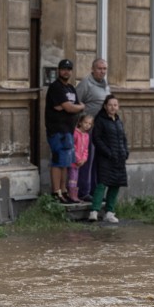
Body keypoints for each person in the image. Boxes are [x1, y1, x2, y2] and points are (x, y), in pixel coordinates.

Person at [44, 58, 84, 202]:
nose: (66, 72)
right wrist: (74, 107)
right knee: (57, 161)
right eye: (63, 69)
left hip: (69, 130)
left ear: (71, 72)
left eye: (68, 69)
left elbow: (73, 106)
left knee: (66, 162)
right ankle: (56, 192)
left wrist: (74, 107)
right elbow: (70, 107)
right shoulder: (56, 87)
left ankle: (64, 190)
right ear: (59, 71)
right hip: (57, 130)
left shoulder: (71, 88)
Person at [89, 95, 128, 224]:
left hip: (119, 158)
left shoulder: (118, 121)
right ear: (105, 106)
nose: (113, 107)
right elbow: (96, 139)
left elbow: (123, 138)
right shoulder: (100, 120)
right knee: (102, 183)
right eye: (110, 105)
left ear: (118, 107)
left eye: (115, 105)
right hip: (105, 158)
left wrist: (125, 152)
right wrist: (107, 152)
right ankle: (94, 211)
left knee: (115, 184)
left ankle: (109, 212)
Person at [76, 58, 110, 200]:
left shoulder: (105, 85)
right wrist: (81, 126)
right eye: (99, 68)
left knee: (98, 162)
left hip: (100, 131)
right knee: (86, 161)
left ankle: (96, 192)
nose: (102, 71)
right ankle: (83, 192)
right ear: (93, 69)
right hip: (87, 131)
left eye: (104, 69)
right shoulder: (86, 83)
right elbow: (76, 102)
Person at [71, 113, 94, 204]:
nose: (87, 125)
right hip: (73, 161)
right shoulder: (75, 133)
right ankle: (72, 195)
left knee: (76, 177)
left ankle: (75, 195)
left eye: (89, 124)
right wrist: (77, 158)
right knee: (72, 178)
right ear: (80, 122)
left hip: (80, 162)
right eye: (85, 122)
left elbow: (86, 150)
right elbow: (72, 147)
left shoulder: (87, 135)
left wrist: (84, 159)